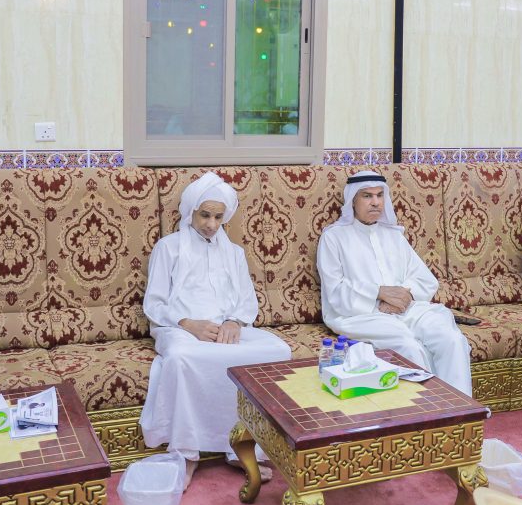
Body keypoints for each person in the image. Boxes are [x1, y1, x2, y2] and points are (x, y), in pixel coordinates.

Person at [140, 172, 291, 487]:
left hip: (226, 327)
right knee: (180, 359)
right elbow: (154, 304)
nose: (211, 224)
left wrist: (235, 322)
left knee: (277, 351)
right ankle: (186, 452)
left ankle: (241, 446)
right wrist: (189, 324)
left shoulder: (234, 252)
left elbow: (247, 301)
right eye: (205, 215)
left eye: (218, 217)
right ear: (191, 211)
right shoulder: (168, 248)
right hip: (179, 328)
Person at [316, 171, 473, 396]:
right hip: (360, 315)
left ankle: (460, 409)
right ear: (352, 201)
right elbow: (335, 292)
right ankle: (424, 410)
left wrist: (402, 295)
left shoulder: (393, 235)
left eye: (380, 195)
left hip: (406, 308)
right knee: (408, 345)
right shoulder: (334, 237)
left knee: (451, 339)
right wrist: (378, 293)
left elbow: (424, 279)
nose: (375, 202)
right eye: (367, 196)